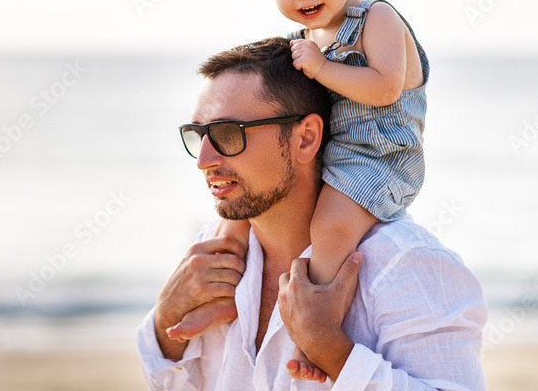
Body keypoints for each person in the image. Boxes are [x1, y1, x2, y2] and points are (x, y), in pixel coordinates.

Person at [166, 0, 431, 381]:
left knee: (328, 229)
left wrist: (321, 68)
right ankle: (223, 302)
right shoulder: (305, 40)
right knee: (238, 217)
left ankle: (316, 330)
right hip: (331, 148)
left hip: (379, 156)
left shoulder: (377, 19)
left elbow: (383, 87)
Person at [136, 37, 487, 389]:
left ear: (305, 138)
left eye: (227, 133)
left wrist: (333, 353)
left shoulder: (406, 263)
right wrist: (165, 320)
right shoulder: (212, 255)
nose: (203, 161)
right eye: (198, 134)